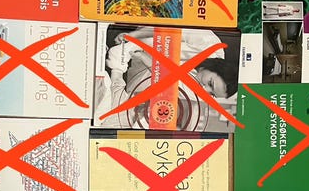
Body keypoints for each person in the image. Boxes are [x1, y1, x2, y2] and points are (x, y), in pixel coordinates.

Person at [98, 26, 238, 127]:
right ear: (216, 67)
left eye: (212, 94)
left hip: (132, 69)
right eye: (210, 83)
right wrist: (133, 35)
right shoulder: (209, 43)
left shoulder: (200, 94)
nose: (205, 89)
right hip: (138, 33)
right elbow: (169, 27)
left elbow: (164, 78)